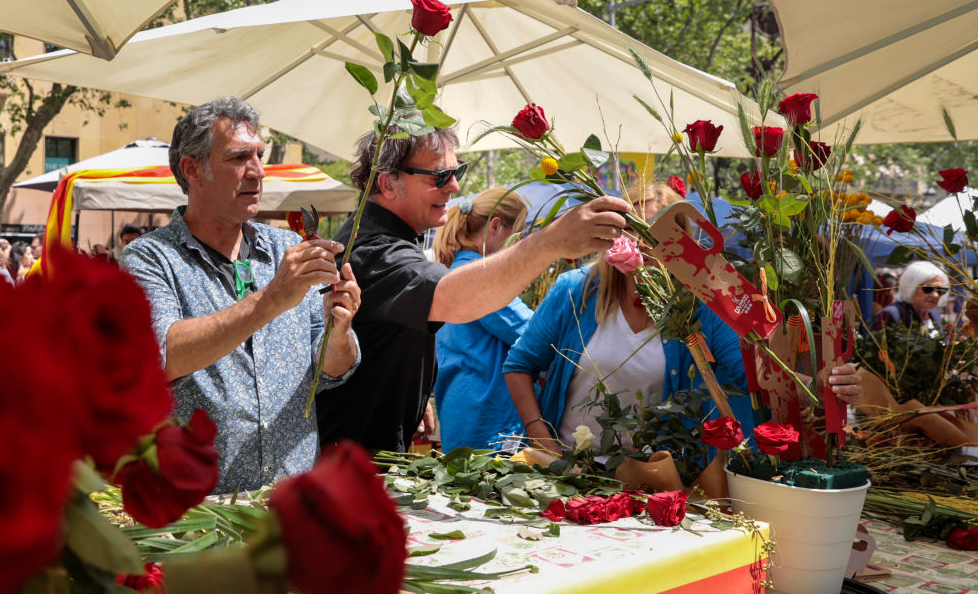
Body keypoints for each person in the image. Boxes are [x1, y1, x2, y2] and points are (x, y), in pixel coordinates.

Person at [317, 127, 630, 454]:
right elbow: (453, 297)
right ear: (388, 183)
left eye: (457, 171)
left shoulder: (388, 237)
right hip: (347, 461)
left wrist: (415, 390)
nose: (454, 186)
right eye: (439, 176)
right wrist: (550, 241)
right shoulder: (373, 250)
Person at [503, 183, 863, 454]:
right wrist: (542, 439)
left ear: (681, 246)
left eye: (659, 236)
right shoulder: (576, 292)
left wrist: (817, 386)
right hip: (567, 465)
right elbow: (519, 365)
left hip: (654, 476)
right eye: (634, 230)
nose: (645, 245)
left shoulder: (698, 306)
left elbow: (749, 374)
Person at [122, 97, 362, 492]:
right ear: (192, 170)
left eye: (259, 155)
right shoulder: (149, 258)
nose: (257, 172)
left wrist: (340, 330)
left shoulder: (287, 249)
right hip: (197, 513)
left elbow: (333, 370)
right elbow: (162, 356)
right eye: (238, 158)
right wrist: (270, 301)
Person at [429, 188, 533, 452]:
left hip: (465, 410)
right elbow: (535, 335)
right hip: (488, 417)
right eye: (519, 234)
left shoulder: (457, 270)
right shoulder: (481, 278)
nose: (521, 243)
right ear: (496, 226)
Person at [874, 260, 950, 331]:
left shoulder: (934, 313)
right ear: (911, 287)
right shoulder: (891, 314)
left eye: (940, 290)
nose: (935, 295)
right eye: (928, 288)